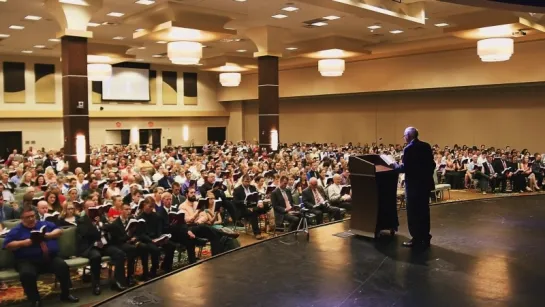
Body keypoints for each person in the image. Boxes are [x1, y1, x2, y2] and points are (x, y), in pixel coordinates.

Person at [3, 206, 79, 307]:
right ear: (22, 218)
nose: (31, 219)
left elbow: (59, 231)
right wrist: (23, 243)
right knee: (27, 274)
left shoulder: (44, 224)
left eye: (32, 216)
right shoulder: (16, 230)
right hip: (27, 260)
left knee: (62, 266)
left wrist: (49, 235)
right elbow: (7, 245)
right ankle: (35, 300)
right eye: (27, 217)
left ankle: (66, 294)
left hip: (49, 258)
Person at [76, 200, 128, 295]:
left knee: (119, 253)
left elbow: (109, 228)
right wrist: (95, 225)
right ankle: (96, 284)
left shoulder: (101, 218)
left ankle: (118, 281)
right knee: (96, 257)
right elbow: (87, 235)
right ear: (84, 209)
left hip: (104, 245)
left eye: (94, 207)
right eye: (90, 208)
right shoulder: (81, 221)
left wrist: (102, 224)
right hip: (91, 246)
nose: (92, 210)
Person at [395, 127, 435, 248]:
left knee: (413, 213)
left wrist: (395, 166)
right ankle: (426, 237)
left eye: (404, 136)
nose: (404, 138)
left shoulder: (409, 149)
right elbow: (432, 164)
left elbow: (405, 168)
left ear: (408, 136)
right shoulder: (426, 146)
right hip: (425, 185)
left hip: (413, 187)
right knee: (424, 212)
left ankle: (416, 238)